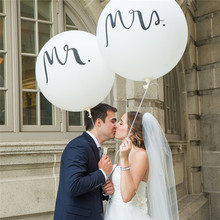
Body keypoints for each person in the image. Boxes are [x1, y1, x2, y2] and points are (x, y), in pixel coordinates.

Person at [103, 111, 179, 220]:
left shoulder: (140, 155)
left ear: (131, 132)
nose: (116, 125)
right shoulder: (123, 151)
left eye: (121, 123)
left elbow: (127, 196)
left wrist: (124, 159)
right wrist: (107, 187)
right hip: (114, 213)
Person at [54, 103, 117, 220]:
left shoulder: (94, 147)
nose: (116, 125)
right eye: (113, 121)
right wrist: (102, 173)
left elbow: (87, 186)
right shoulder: (79, 146)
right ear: (98, 122)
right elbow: (73, 186)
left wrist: (104, 191)